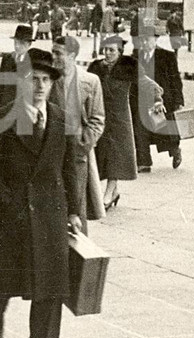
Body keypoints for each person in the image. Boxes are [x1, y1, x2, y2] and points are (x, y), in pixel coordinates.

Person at [0, 48, 82, 338]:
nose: (40, 86)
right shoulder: (1, 118)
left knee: (51, 281)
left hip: (50, 211)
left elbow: (70, 168)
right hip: (14, 211)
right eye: (34, 79)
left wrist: (74, 210)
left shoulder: (61, 119)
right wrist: (5, 202)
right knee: (8, 275)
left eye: (46, 80)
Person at [50, 36, 105, 233]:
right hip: (49, 152)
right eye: (53, 52)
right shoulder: (48, 79)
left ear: (72, 55)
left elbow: (97, 119)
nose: (54, 57)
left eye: (59, 53)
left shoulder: (89, 81)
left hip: (76, 155)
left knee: (77, 206)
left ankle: (79, 257)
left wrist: (82, 146)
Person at [88, 35, 137, 209]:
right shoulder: (95, 68)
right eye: (105, 50)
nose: (107, 53)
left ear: (120, 52)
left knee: (116, 155)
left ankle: (108, 193)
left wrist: (157, 100)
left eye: (111, 50)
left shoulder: (128, 68)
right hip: (99, 116)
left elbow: (146, 85)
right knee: (102, 154)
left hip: (119, 118)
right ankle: (114, 191)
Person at [133, 28, 185, 172]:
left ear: (155, 39)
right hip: (141, 100)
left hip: (163, 100)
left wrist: (178, 101)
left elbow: (175, 79)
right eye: (142, 40)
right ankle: (144, 162)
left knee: (165, 130)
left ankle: (175, 151)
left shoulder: (167, 56)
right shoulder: (136, 55)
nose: (144, 42)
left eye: (147, 39)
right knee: (140, 129)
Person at [0, 24, 34, 107]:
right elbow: (0, 83)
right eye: (15, 42)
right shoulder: (7, 58)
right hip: (4, 105)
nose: (17, 46)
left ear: (29, 44)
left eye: (22, 43)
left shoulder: (33, 62)